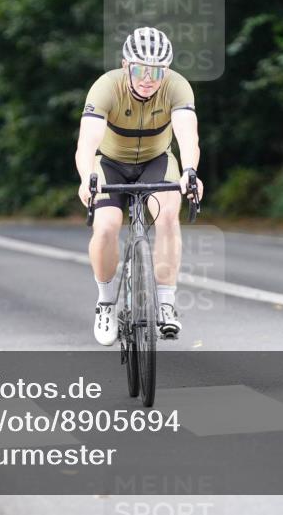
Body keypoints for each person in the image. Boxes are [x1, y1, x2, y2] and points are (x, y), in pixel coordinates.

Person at [75, 27, 203, 346]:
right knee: (106, 226)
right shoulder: (105, 87)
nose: (148, 78)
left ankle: (166, 301)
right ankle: (106, 302)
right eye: (140, 69)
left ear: (167, 71)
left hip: (156, 160)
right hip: (110, 163)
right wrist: (84, 179)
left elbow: (188, 135)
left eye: (157, 71)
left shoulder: (177, 87)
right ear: (125, 65)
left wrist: (190, 172)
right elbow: (87, 141)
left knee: (169, 216)